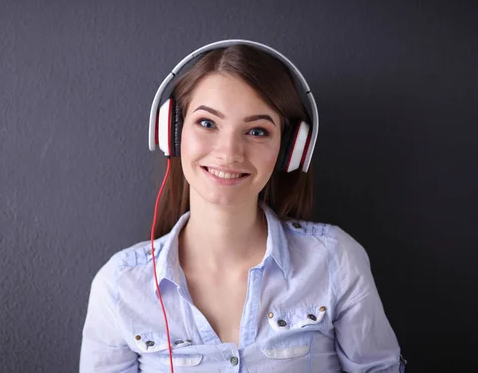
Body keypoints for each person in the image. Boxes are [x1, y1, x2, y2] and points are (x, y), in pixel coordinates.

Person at [80, 40, 405, 372]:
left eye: (257, 131)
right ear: (171, 132)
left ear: (291, 150)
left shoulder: (336, 261)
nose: (229, 152)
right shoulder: (120, 286)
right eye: (207, 123)